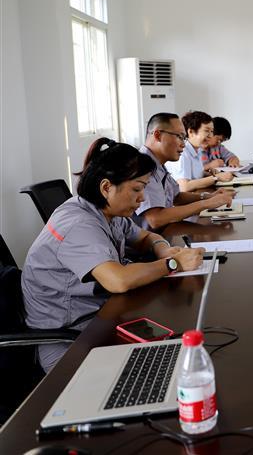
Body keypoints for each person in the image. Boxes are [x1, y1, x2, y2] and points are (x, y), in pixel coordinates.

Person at [21, 138, 205, 371]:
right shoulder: (78, 224)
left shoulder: (107, 212)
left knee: (174, 350)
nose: (142, 198)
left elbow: (145, 237)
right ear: (106, 187)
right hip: (69, 343)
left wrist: (163, 248)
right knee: (164, 368)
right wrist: (172, 263)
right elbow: (119, 280)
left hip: (100, 319)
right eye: (137, 189)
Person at [134, 113, 234, 230]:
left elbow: (176, 197)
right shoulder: (143, 166)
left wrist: (208, 197)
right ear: (158, 135)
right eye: (179, 137)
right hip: (150, 239)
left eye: (184, 138)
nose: (183, 144)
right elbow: (156, 219)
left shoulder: (158, 163)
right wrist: (206, 204)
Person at [167, 111, 234, 192]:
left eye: (212, 131)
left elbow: (195, 175)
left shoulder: (197, 150)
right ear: (191, 132)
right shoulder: (183, 153)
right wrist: (216, 178)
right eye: (206, 131)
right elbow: (184, 187)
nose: (210, 136)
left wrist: (209, 174)